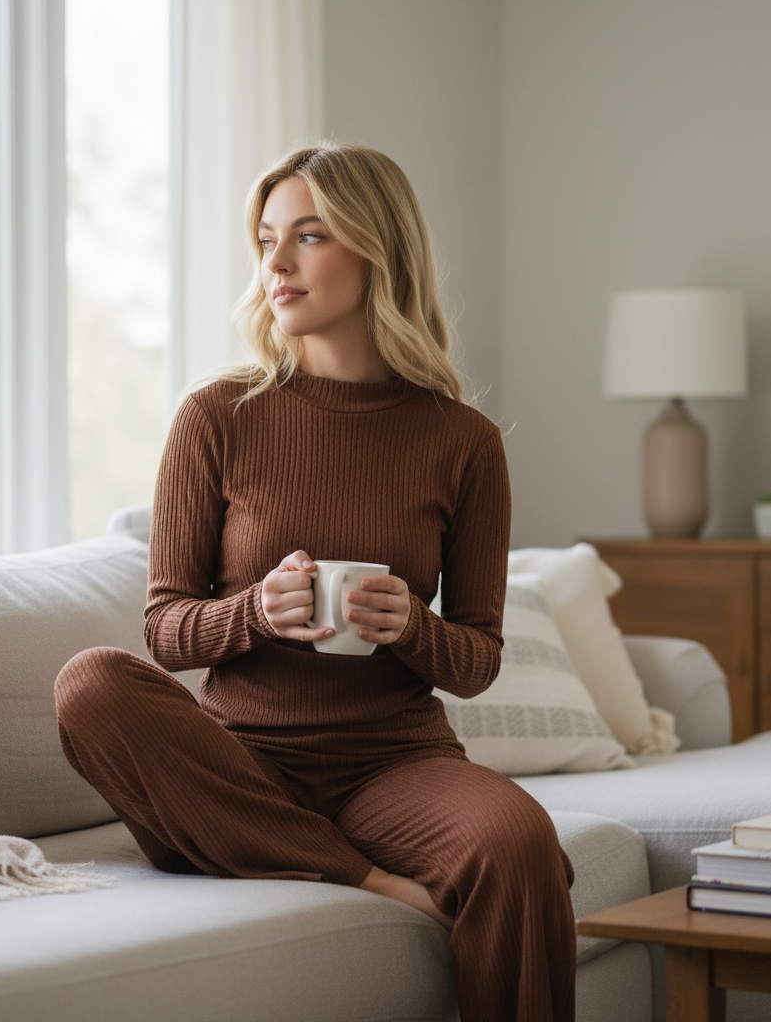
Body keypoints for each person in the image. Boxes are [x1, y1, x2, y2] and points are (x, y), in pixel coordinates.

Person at [55, 141, 575, 1021]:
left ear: (377, 251)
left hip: (393, 766)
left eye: (309, 236)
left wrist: (411, 623)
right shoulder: (215, 416)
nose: (277, 265)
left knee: (519, 839)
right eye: (266, 241)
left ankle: (294, 850)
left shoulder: (464, 442)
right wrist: (255, 612)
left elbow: (477, 661)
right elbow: (165, 628)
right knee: (88, 684)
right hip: (240, 767)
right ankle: (356, 873)